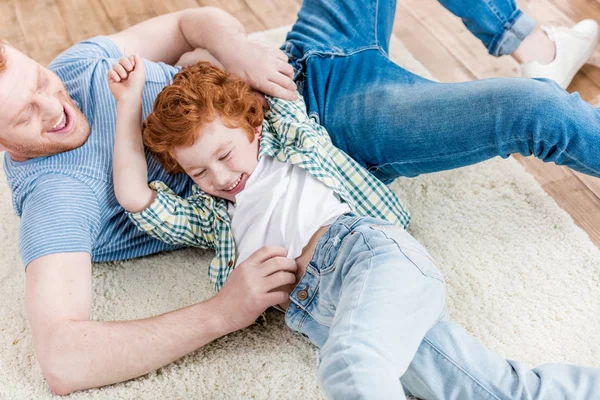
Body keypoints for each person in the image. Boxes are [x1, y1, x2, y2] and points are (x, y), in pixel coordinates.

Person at [0, 0, 598, 395]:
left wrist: (239, 55)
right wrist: (220, 312)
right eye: (27, 113)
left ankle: (538, 45)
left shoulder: (78, 67)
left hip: (291, 73)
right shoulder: (58, 199)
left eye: (43, 83)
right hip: (336, 123)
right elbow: (62, 358)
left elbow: (190, 23)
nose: (56, 104)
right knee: (534, 110)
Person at [108, 57, 600, 399]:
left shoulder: (288, 141)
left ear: (255, 128)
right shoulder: (216, 218)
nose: (219, 177)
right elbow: (137, 197)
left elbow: (264, 80)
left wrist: (201, 63)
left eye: (225, 155)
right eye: (198, 172)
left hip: (368, 257)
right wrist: (127, 103)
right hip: (328, 313)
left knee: (348, 367)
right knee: (490, 390)